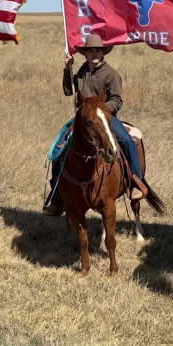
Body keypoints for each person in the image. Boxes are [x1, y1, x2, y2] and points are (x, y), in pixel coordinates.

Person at [44, 34, 146, 216]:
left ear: (103, 52)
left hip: (105, 118)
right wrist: (67, 68)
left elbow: (117, 100)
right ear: (86, 54)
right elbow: (69, 90)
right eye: (90, 50)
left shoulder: (111, 74)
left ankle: (136, 182)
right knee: (58, 149)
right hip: (83, 120)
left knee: (126, 141)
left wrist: (98, 112)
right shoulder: (82, 72)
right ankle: (56, 195)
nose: (94, 53)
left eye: (97, 50)